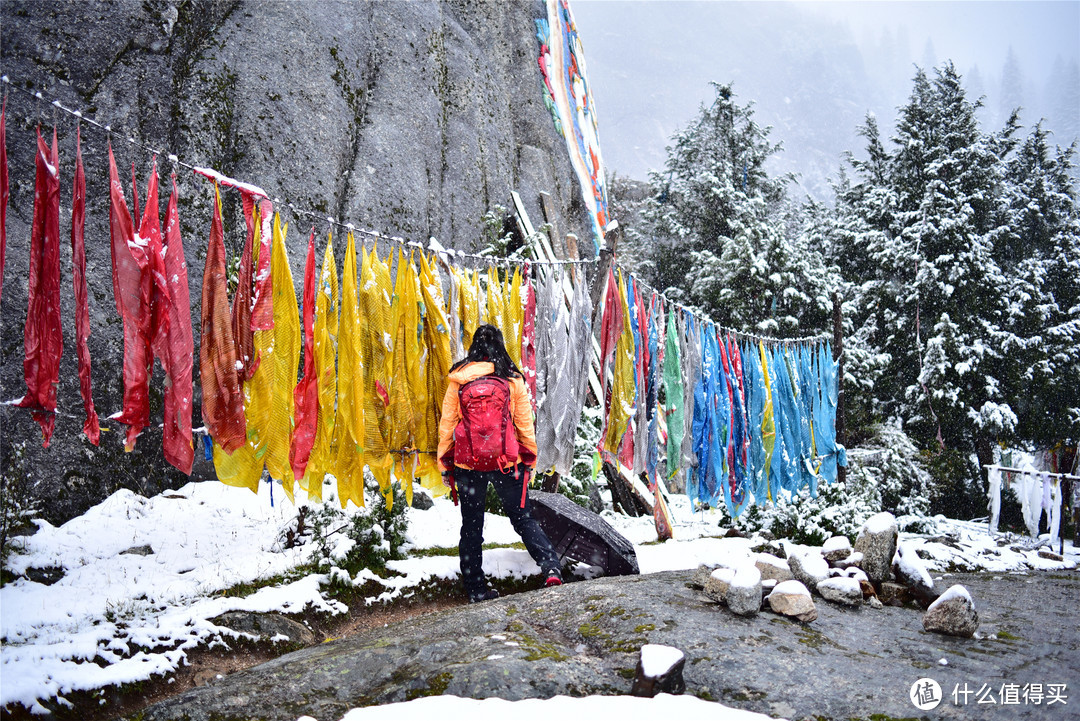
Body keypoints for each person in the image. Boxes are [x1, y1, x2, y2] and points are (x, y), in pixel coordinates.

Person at [437, 324, 563, 603]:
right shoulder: (511, 378)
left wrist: (445, 464)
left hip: (469, 465)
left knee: (471, 527)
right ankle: (551, 567)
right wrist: (528, 458)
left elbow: (447, 425)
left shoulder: (459, 378)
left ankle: (475, 588)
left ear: (473, 347)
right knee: (523, 518)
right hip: (507, 461)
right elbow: (523, 424)